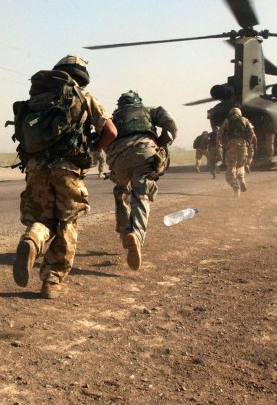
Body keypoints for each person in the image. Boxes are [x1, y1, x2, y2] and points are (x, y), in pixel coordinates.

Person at [11, 55, 116, 299]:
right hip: (67, 170)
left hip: (36, 168)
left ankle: (33, 239)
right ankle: (51, 281)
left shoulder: (37, 99)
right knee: (68, 222)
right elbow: (111, 131)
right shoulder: (84, 98)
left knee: (43, 219)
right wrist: (93, 149)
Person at [105, 91, 177, 270]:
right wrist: (163, 141)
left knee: (120, 191)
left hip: (118, 160)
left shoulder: (112, 117)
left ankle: (123, 232)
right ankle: (135, 234)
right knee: (140, 196)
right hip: (144, 154)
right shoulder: (149, 110)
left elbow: (104, 140)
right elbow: (171, 124)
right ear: (138, 102)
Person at [216, 107, 256, 197]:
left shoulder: (227, 121)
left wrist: (219, 143)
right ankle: (241, 180)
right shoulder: (245, 120)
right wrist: (248, 142)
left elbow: (219, 133)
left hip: (232, 145)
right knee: (240, 165)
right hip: (243, 145)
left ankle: (236, 189)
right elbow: (252, 133)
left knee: (230, 167)